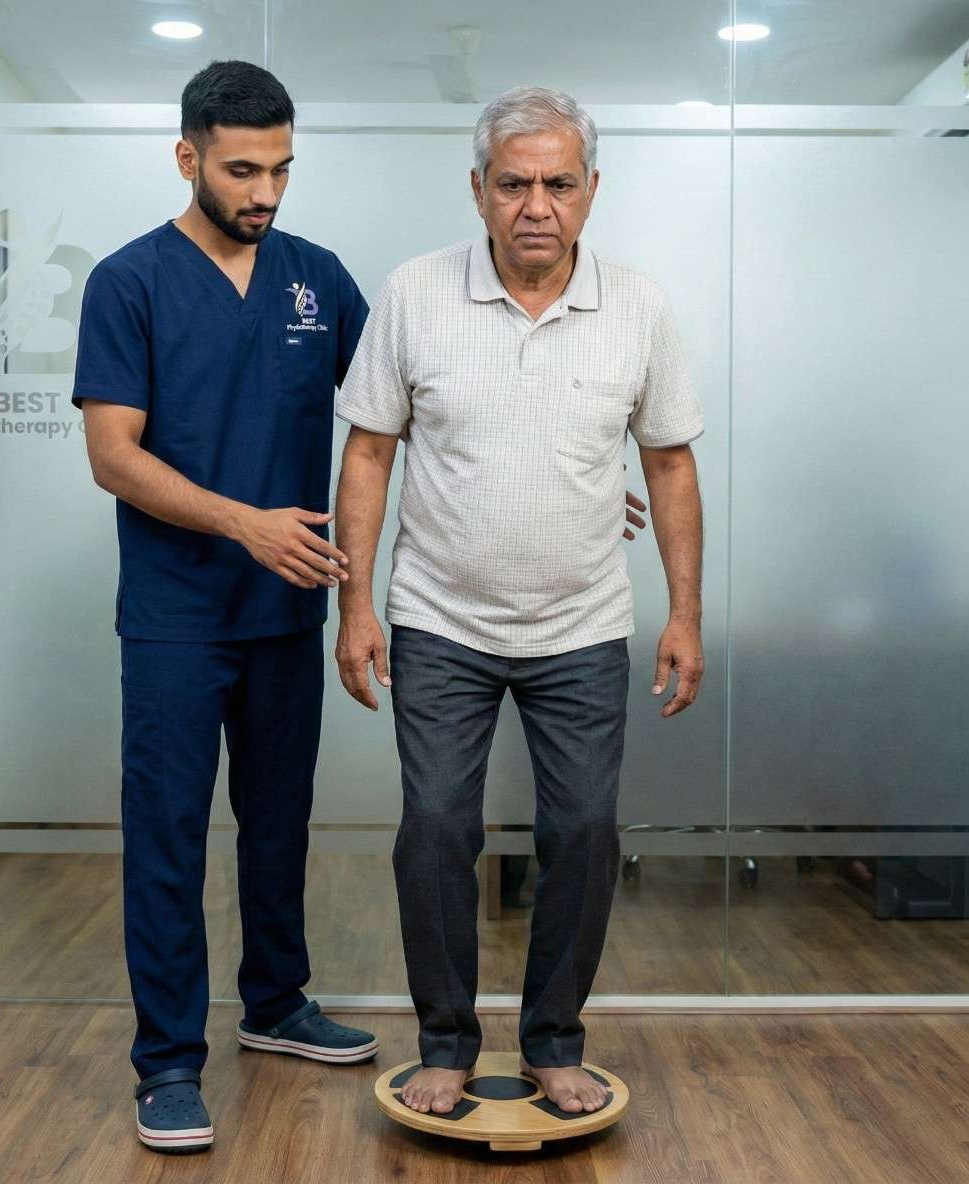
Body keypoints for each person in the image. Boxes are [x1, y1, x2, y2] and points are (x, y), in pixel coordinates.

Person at [332, 86, 706, 1118]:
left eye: (557, 183)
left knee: (584, 829)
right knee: (437, 826)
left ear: (590, 191)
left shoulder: (636, 304)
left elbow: (666, 465)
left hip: (582, 625)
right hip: (439, 618)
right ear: (477, 190)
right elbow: (367, 451)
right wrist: (354, 607)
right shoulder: (414, 293)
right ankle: (445, 1042)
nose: (534, 205)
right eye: (512, 183)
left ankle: (552, 1040)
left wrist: (683, 613)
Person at [73, 60, 377, 1156]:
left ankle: (276, 1001)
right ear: (187, 155)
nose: (266, 192)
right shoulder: (130, 281)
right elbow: (113, 456)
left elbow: (396, 416)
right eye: (243, 169)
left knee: (277, 822)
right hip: (173, 615)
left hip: (285, 615)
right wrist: (247, 523)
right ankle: (165, 1061)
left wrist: (553, 465)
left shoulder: (316, 278)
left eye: (281, 169)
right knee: (165, 834)